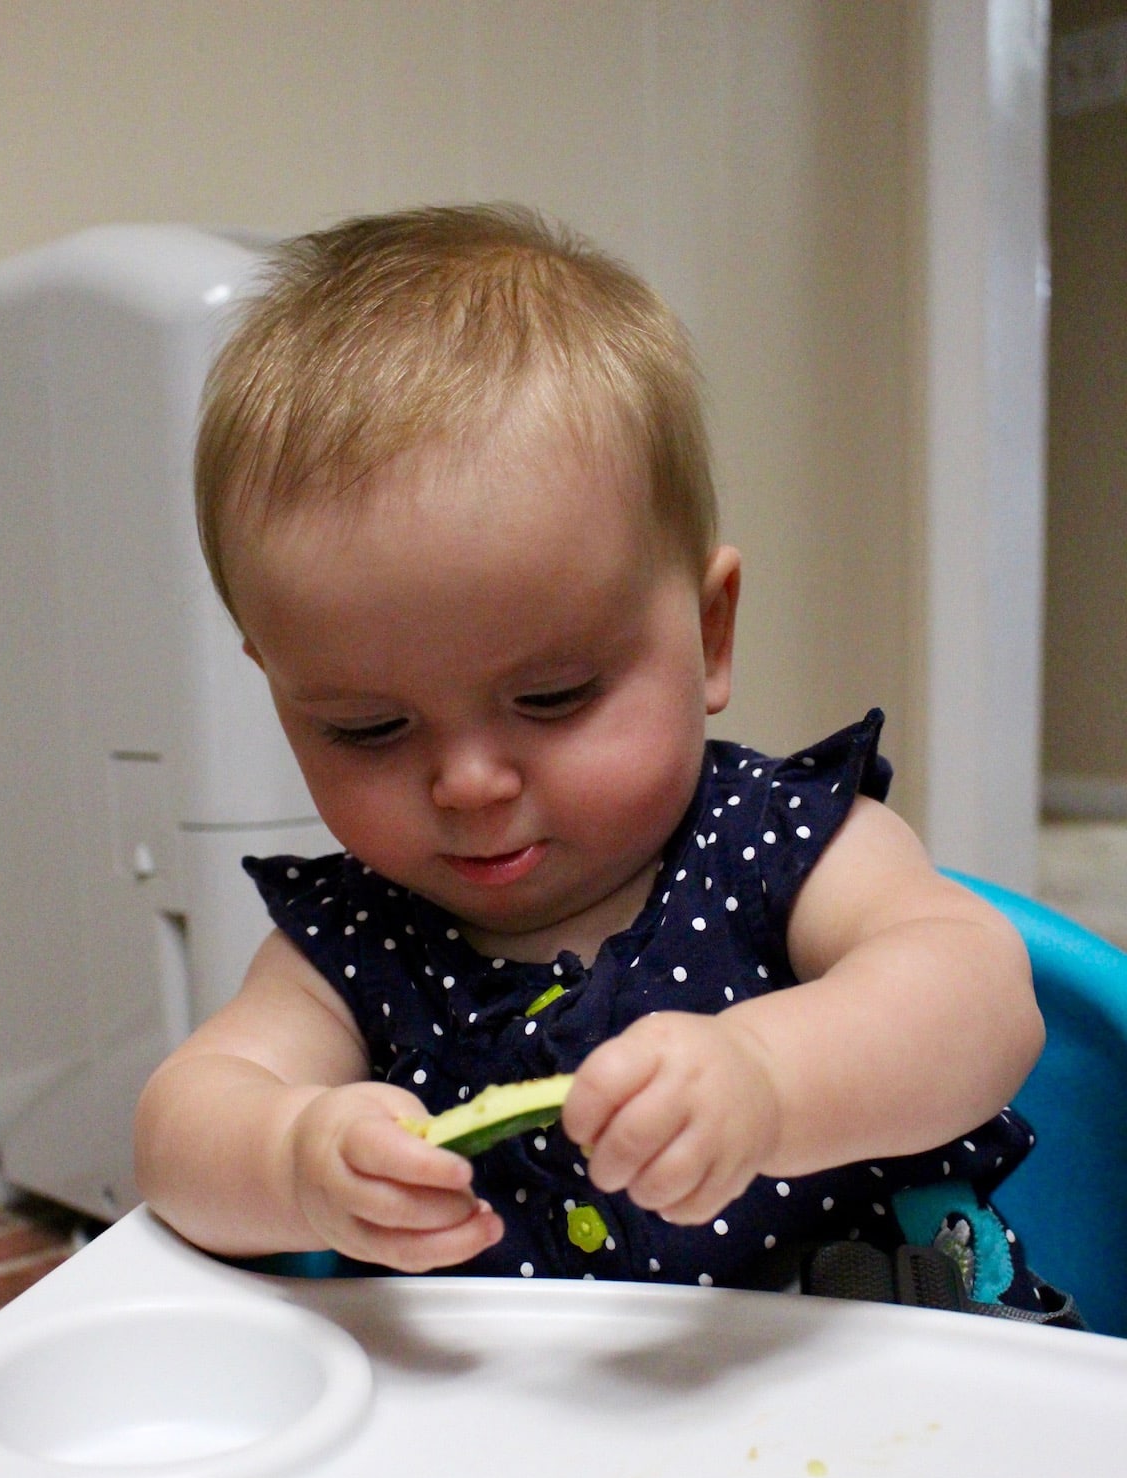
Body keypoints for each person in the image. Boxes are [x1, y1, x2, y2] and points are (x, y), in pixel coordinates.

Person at [135, 202, 1069, 1323]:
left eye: (553, 697)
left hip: (889, 1388)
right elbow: (184, 1121)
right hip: (542, 1460)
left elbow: (979, 1000)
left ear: (709, 635)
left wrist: (771, 1081)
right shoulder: (353, 947)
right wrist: (294, 1159)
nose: (468, 783)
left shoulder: (778, 844)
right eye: (367, 729)